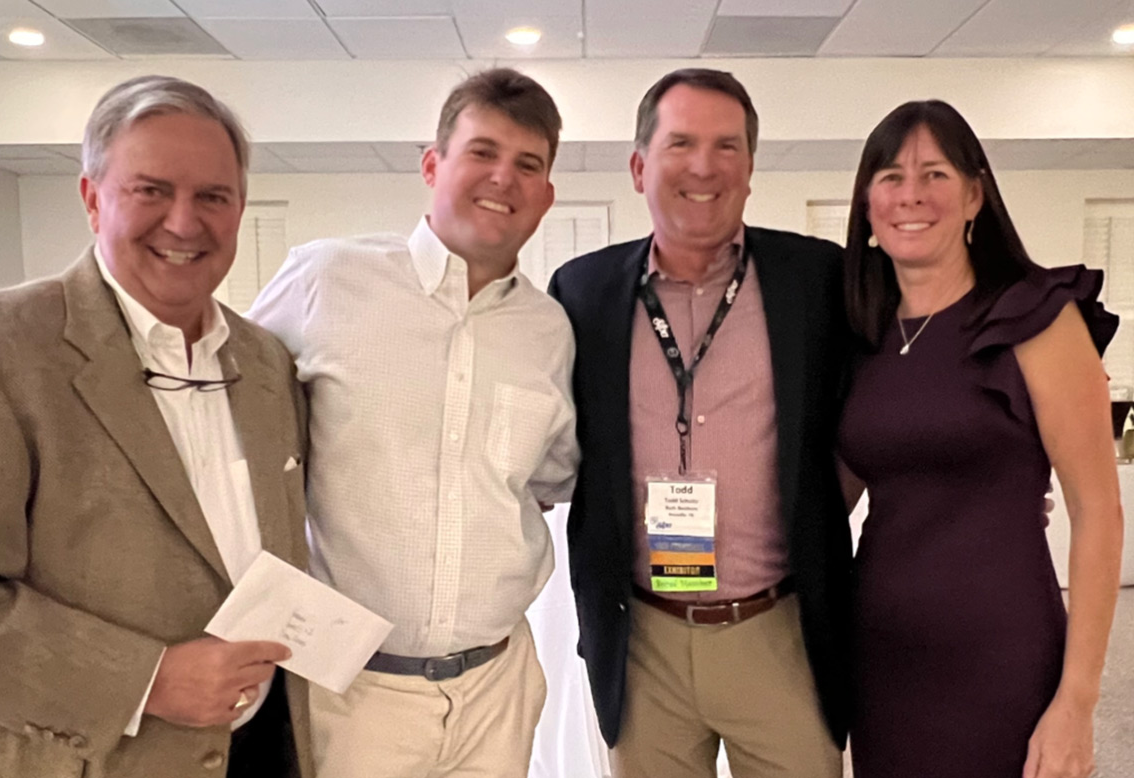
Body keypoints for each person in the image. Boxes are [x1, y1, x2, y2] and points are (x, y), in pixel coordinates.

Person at [0, 75, 313, 778]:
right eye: (152, 190)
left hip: (259, 750)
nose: (183, 221)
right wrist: (147, 679)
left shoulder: (266, 363)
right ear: (91, 197)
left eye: (212, 196)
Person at [248, 67, 578, 778]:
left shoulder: (548, 329)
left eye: (528, 165)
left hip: (496, 687)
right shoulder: (327, 280)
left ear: (547, 195)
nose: (504, 179)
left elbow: (545, 479)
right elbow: (228, 418)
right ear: (433, 165)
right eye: (481, 152)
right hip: (349, 688)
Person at [548, 68, 849, 778]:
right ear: (638, 166)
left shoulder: (819, 280)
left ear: (750, 167)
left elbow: (893, 394)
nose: (705, 166)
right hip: (642, 633)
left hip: (781, 632)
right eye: (681, 143)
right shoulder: (580, 292)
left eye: (728, 146)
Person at [838, 100, 1123, 778]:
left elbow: (1098, 513)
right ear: (868, 206)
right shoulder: (862, 332)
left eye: (934, 174)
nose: (911, 195)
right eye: (890, 176)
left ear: (974, 196)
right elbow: (827, 494)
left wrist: (1078, 702)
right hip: (882, 660)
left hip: (1001, 655)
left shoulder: (1035, 319)